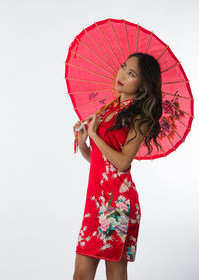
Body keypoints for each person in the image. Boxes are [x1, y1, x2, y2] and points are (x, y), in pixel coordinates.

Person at [72, 52, 162, 280]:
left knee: (115, 273)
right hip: (95, 201)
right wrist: (84, 142)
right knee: (81, 275)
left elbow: (122, 163)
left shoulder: (140, 118)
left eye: (131, 73)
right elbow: (100, 163)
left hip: (118, 204)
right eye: (123, 67)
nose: (121, 74)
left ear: (142, 85)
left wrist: (96, 134)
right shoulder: (108, 109)